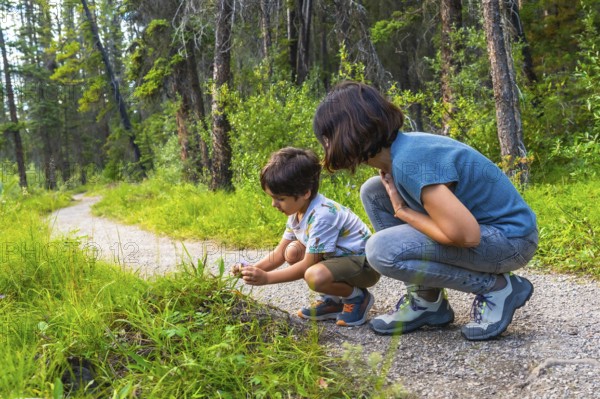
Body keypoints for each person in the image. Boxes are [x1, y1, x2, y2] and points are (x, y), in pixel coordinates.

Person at [312, 81, 538, 341]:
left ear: (346, 134)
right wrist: (396, 203)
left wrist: (402, 210)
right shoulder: (402, 152)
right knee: (374, 191)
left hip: (510, 240)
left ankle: (498, 288)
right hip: (494, 233)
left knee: (381, 250)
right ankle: (427, 300)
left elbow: (466, 236)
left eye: (326, 140)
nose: (326, 148)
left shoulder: (410, 162)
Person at [232, 147, 380, 327]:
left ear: (305, 193)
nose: (273, 204)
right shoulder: (297, 212)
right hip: (340, 260)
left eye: (279, 198)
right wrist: (251, 268)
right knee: (292, 252)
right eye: (272, 197)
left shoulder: (323, 215)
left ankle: (357, 297)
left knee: (314, 276)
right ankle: (333, 301)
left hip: (364, 265)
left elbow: (308, 265)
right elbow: (279, 254)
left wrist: (267, 278)